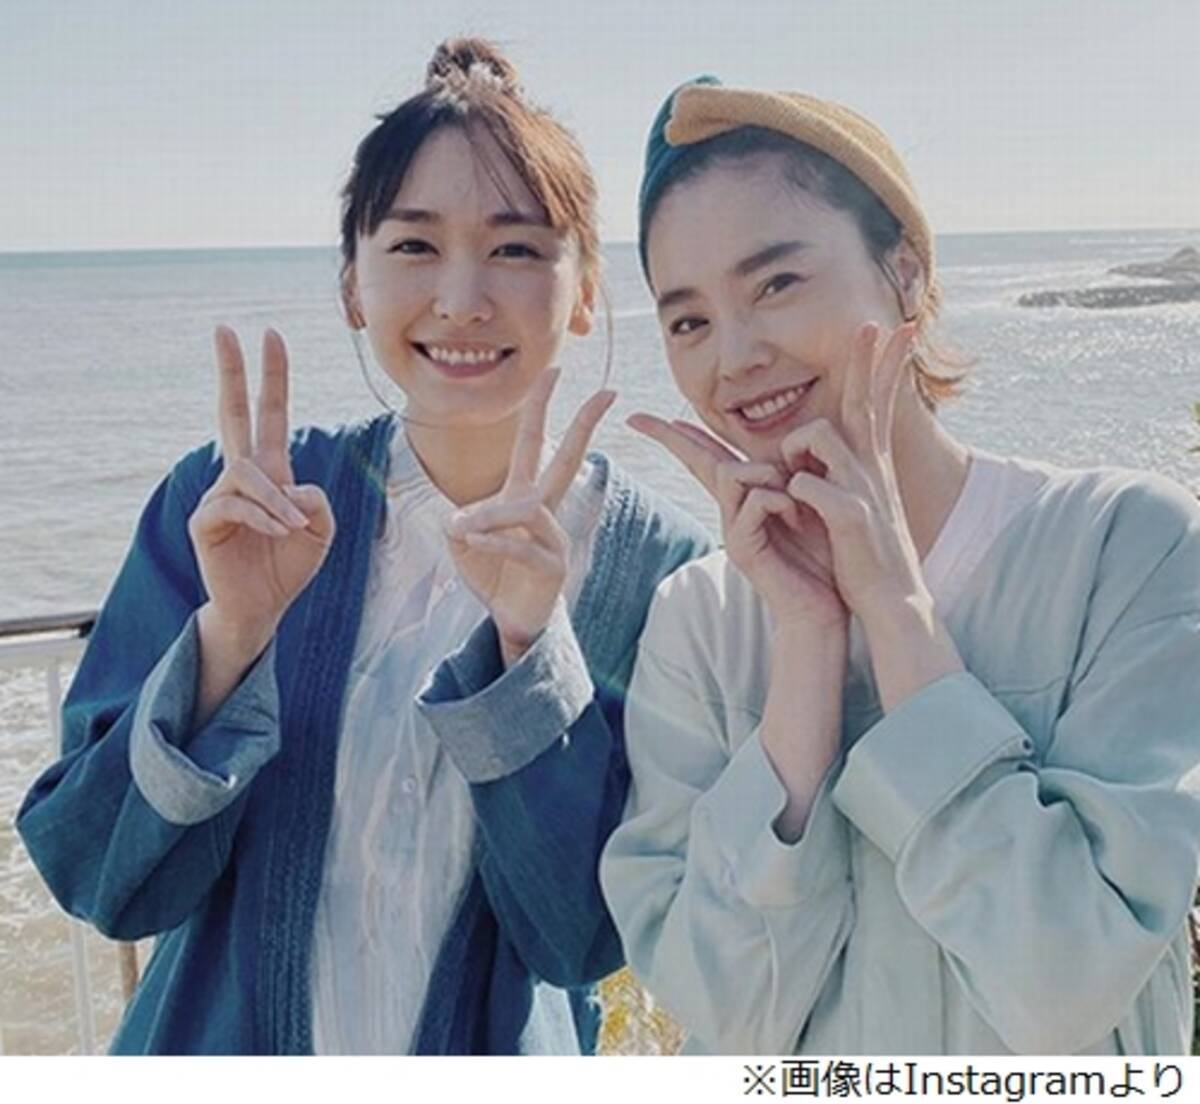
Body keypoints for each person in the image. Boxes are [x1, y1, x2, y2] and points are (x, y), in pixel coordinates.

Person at [16, 39, 711, 1056]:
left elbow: (578, 940)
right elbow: (99, 879)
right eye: (414, 245)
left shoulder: (661, 573)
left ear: (586, 292)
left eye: (517, 249)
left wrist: (529, 650)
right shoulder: (233, 509)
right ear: (352, 285)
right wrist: (231, 637)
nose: (462, 298)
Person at [599, 77, 1200, 1055]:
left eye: (776, 284)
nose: (735, 356)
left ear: (907, 274)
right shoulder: (700, 626)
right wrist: (806, 642)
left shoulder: (1125, 546)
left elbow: (1069, 984)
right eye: (689, 321)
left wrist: (896, 613)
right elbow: (729, 1021)